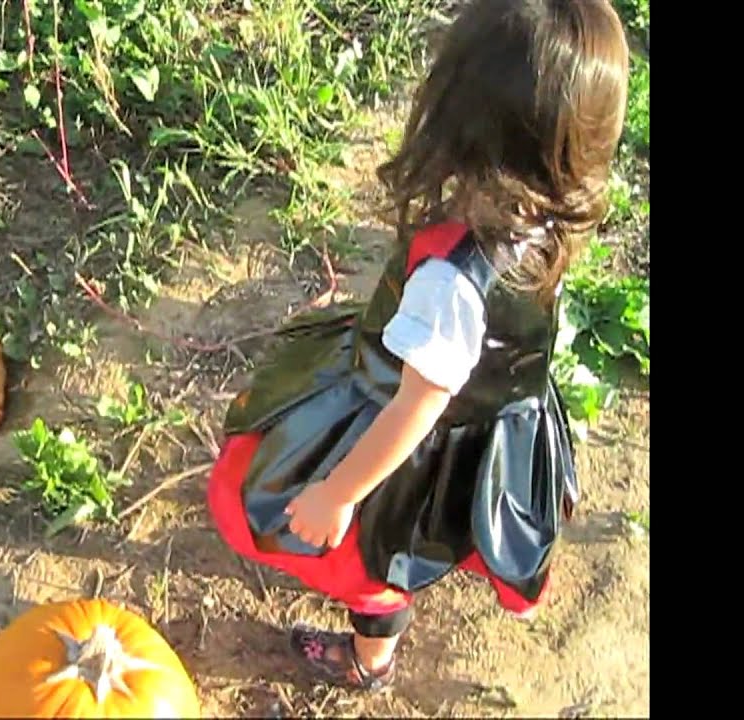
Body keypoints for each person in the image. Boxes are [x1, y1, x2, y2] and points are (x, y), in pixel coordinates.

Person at [206, 0, 631, 691]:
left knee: (373, 558)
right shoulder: (548, 211)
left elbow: (415, 408)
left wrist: (338, 494)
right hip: (499, 412)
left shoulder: (449, 279)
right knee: (436, 533)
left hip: (416, 447)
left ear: (462, 117)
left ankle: (369, 658)